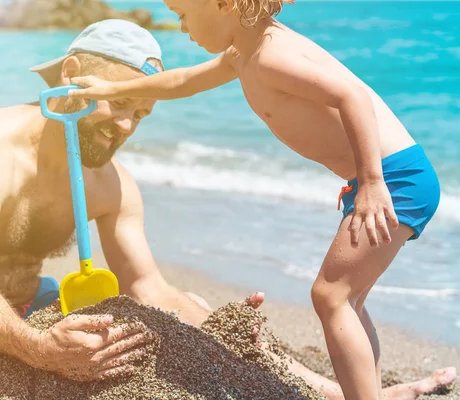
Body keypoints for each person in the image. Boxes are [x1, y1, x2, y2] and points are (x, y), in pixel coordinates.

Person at [0, 18, 454, 400]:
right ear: (72, 78)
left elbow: (148, 285)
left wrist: (223, 328)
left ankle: (341, 391)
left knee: (188, 308)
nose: (124, 125)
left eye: (139, 114)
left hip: (34, 306)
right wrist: (44, 350)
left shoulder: (110, 183)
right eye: (116, 103)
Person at [67, 2, 445, 400]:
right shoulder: (243, 55)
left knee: (331, 295)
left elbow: (352, 96)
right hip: (382, 177)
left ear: (225, 5)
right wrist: (111, 89)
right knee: (348, 299)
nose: (182, 29)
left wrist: (371, 181)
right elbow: (181, 82)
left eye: (183, 15)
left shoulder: (270, 56)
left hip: (394, 178)